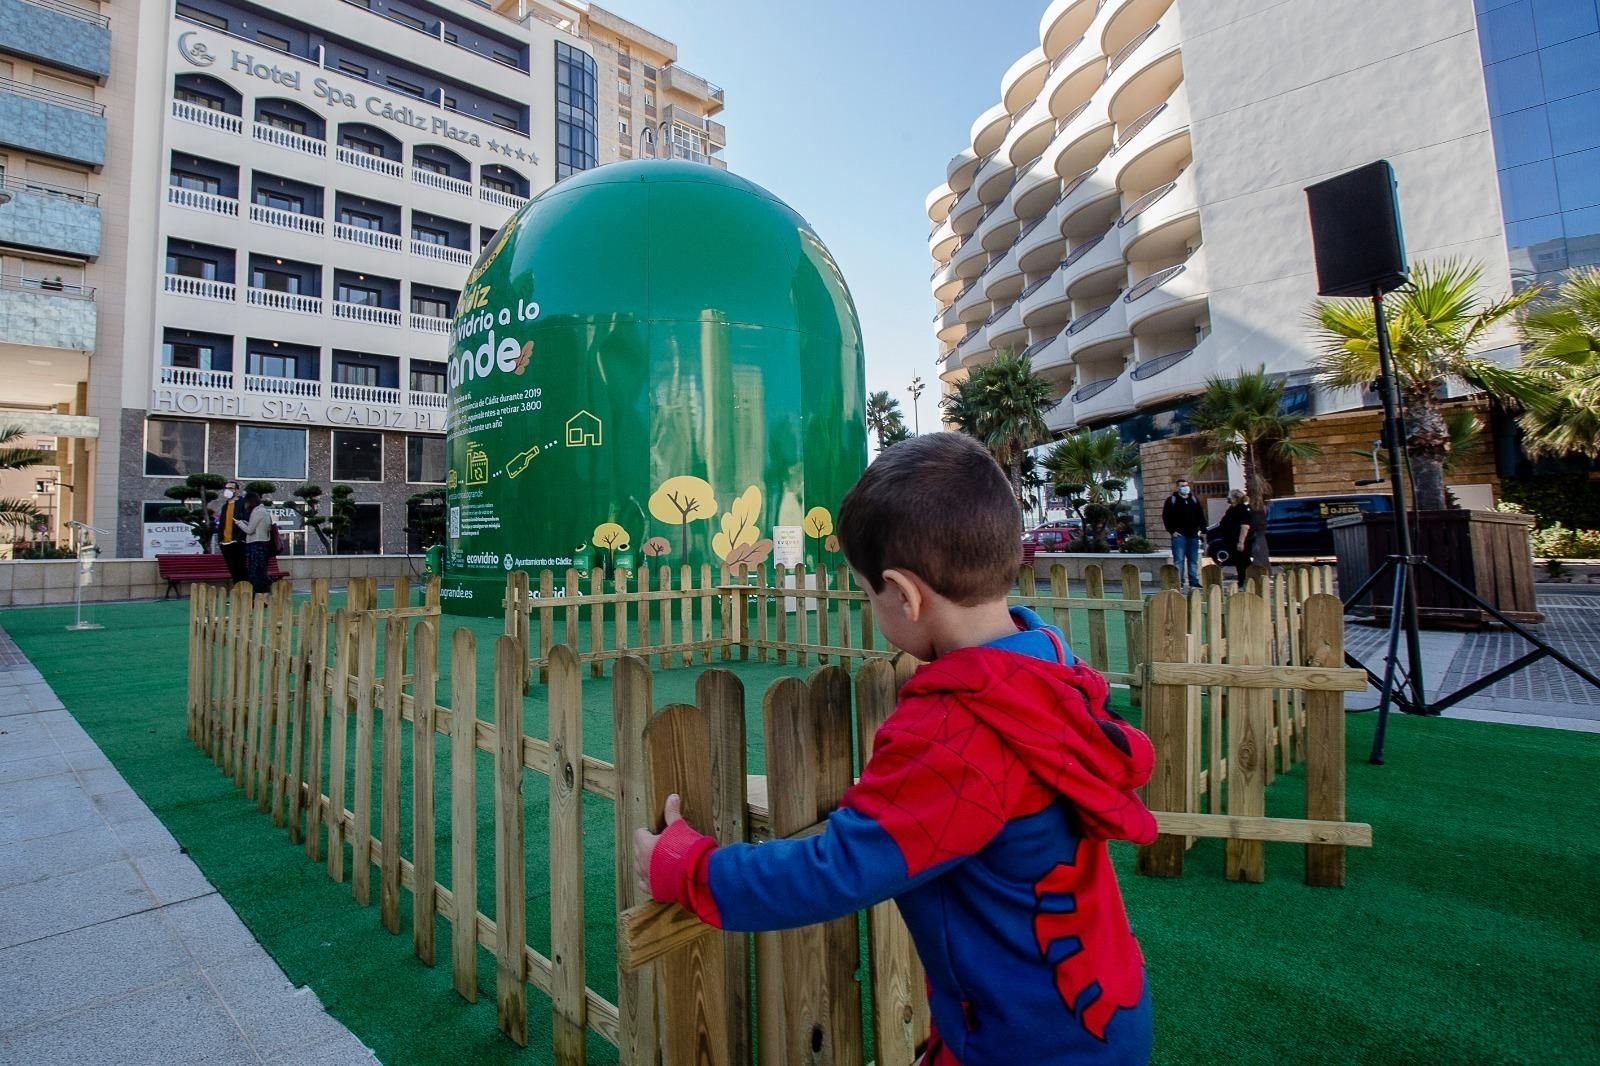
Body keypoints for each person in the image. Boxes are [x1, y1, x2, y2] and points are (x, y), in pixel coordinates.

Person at [634, 433, 1156, 1066]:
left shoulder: (956, 732)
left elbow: (838, 869)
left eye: (868, 594)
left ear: (904, 594)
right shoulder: (1050, 666)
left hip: (1026, 1042)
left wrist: (688, 868)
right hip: (1103, 1006)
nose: (870, 608)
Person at [1161, 477, 1206, 589]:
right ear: (1177, 487)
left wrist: (1203, 530)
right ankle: (1179, 581)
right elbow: (1166, 517)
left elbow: (1200, 515)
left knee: (1193, 560)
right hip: (1179, 535)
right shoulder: (1171, 500)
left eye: (1186, 485)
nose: (1185, 488)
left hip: (1193, 534)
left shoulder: (1193, 499)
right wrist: (1172, 531)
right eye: (1182, 486)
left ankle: (1193, 581)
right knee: (1179, 560)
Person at [1217, 489, 1265, 586]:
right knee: (1238, 562)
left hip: (1241, 540)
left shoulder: (1243, 509)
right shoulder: (1231, 509)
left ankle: (1248, 581)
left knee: (1243, 561)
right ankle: (1242, 580)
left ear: (1235, 498)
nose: (1228, 498)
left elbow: (1245, 526)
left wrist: (1241, 542)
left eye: (1230, 496)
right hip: (1231, 540)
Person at [208, 480, 247, 582]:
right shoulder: (225, 506)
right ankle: (237, 588)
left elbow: (246, 522)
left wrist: (239, 539)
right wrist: (220, 540)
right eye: (226, 488)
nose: (227, 490)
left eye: (230, 488)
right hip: (225, 543)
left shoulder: (242, 504)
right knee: (232, 570)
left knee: (241, 570)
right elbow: (222, 523)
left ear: (237, 491)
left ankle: (245, 589)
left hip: (238, 543)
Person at [240, 491, 274, 594]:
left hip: (256, 544)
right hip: (262, 544)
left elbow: (249, 530)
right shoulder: (263, 511)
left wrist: (240, 524)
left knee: (255, 572)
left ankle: (259, 593)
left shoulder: (257, 511)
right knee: (260, 571)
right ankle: (264, 592)